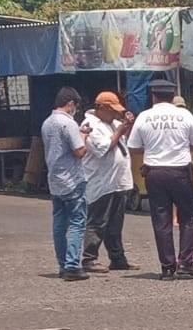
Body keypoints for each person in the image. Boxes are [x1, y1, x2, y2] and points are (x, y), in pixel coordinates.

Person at [127, 78, 193, 280]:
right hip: (180, 171)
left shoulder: (144, 117)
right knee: (187, 217)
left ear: (153, 96)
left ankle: (167, 268)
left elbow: (133, 147)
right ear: (172, 96)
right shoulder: (184, 115)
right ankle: (185, 263)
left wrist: (153, 149)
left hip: (154, 172)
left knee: (161, 219)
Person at [80, 91, 138, 273]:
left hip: (119, 181)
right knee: (97, 222)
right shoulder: (90, 125)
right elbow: (102, 148)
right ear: (102, 108)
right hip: (101, 182)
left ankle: (118, 258)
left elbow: (125, 137)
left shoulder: (113, 123)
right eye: (112, 110)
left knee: (115, 223)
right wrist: (120, 131)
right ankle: (89, 259)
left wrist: (127, 125)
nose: (115, 114)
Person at [41, 86, 91, 281]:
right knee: (78, 223)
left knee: (59, 225)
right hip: (72, 179)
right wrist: (84, 136)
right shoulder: (67, 123)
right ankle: (72, 266)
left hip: (55, 179)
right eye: (75, 106)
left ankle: (63, 264)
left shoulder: (47, 123)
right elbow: (79, 151)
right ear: (70, 104)